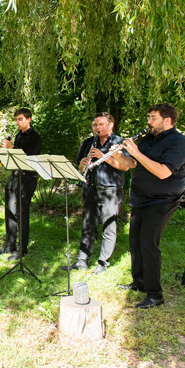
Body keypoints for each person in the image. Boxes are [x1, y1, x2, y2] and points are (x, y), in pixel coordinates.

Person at [114, 103, 185, 309]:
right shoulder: (150, 138)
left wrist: (136, 153)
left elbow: (164, 172)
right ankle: (139, 283)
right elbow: (134, 164)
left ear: (167, 120)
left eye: (153, 118)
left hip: (162, 201)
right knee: (135, 243)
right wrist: (118, 156)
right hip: (141, 198)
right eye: (149, 117)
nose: (148, 122)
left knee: (149, 245)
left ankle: (155, 295)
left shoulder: (179, 143)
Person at [62, 112, 130, 274]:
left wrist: (103, 156)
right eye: (95, 125)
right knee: (88, 225)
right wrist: (82, 165)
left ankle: (102, 263)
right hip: (90, 187)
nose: (97, 128)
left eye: (101, 124)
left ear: (111, 125)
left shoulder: (119, 143)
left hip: (110, 189)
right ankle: (82, 261)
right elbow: (79, 166)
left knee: (108, 226)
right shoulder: (88, 143)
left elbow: (125, 167)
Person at [0, 108, 42, 261]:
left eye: (20, 119)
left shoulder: (35, 137)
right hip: (14, 176)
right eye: (16, 119)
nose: (17, 122)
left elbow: (28, 159)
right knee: (9, 211)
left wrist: (12, 148)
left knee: (22, 214)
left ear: (29, 119)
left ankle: (22, 249)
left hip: (27, 178)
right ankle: (9, 244)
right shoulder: (18, 136)